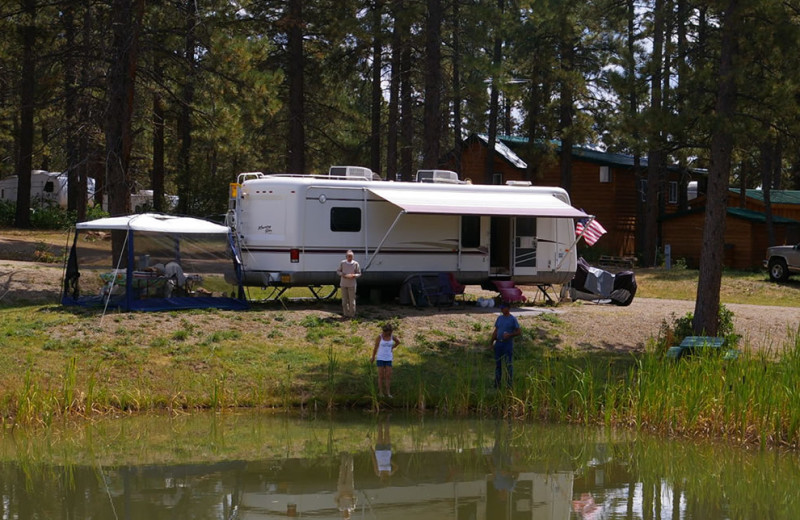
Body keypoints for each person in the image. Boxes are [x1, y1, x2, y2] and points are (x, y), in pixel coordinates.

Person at [489, 302, 521, 388]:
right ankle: (497, 383)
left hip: (507, 344)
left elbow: (518, 332)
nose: (501, 309)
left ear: (508, 308)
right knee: (498, 365)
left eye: (503, 307)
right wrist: (491, 342)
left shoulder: (513, 319)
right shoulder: (499, 318)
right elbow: (496, 331)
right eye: (501, 308)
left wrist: (510, 335)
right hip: (498, 343)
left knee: (508, 364)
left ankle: (509, 384)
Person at [371, 324, 400, 398]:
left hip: (389, 358)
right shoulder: (379, 337)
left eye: (388, 332)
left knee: (388, 376)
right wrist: (373, 357)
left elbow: (398, 342)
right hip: (380, 358)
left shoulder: (392, 336)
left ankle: (388, 393)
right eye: (385, 332)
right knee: (381, 376)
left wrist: (392, 347)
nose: (386, 333)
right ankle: (380, 392)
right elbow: (375, 348)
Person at [371, 415, 397, 482]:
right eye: (385, 478)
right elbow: (396, 467)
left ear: (381, 479)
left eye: (383, 478)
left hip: (379, 451)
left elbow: (374, 462)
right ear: (388, 478)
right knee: (387, 433)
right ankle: (387, 418)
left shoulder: (378, 473)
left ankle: (379, 419)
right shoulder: (390, 473)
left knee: (380, 433)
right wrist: (390, 461)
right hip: (387, 451)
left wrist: (371, 450)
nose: (383, 477)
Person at [336, 250, 361, 318]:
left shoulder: (356, 264)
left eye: (351, 256)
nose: (350, 257)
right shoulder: (343, 263)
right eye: (349, 256)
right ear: (346, 256)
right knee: (344, 301)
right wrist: (342, 274)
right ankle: (345, 314)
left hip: (352, 284)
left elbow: (359, 273)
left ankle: (352, 315)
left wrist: (354, 275)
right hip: (343, 284)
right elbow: (338, 271)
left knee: (352, 301)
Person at [334, 452, 357, 519]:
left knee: (342, 472)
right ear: (349, 515)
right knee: (349, 471)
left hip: (341, 489)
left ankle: (343, 458)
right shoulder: (352, 507)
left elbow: (336, 499)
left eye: (345, 515)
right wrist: (347, 496)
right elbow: (355, 497)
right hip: (349, 488)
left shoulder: (340, 507)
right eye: (347, 515)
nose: (346, 514)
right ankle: (350, 456)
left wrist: (343, 496)